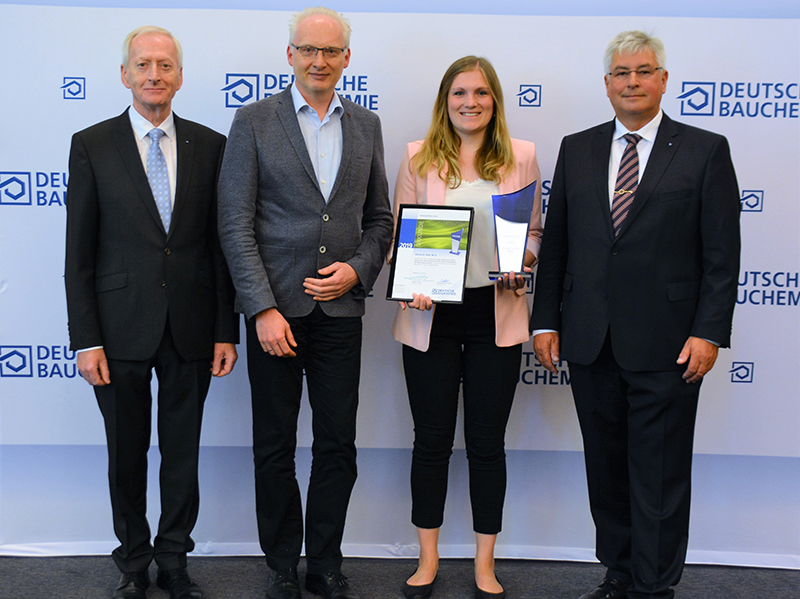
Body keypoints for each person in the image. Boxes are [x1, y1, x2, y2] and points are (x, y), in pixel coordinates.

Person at [530, 31, 740, 599]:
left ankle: (654, 586)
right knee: (606, 470)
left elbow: (722, 257)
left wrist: (708, 332)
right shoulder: (577, 148)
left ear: (663, 80)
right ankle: (619, 572)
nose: (632, 82)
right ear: (606, 84)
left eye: (644, 71)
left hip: (669, 345)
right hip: (590, 339)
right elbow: (558, 245)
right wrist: (545, 320)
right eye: (621, 73)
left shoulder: (704, 150)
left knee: (660, 474)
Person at [217, 7, 392, 599]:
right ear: (290, 55)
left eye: (331, 51)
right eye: (309, 50)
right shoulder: (254, 120)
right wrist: (261, 308)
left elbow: (379, 219)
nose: (320, 61)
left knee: (337, 444)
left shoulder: (366, 125)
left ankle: (325, 563)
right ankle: (280, 565)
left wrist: (358, 269)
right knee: (274, 445)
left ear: (347, 58)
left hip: (340, 314)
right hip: (276, 318)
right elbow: (235, 222)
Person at [64, 26, 239, 599]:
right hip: (117, 330)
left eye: (165, 65)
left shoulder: (211, 146)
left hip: (192, 326)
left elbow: (220, 248)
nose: (154, 74)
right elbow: (78, 252)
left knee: (182, 454)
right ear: (125, 74)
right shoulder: (91, 144)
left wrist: (225, 330)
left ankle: (175, 559)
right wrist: (86, 338)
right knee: (126, 452)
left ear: (180, 76)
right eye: (143, 64)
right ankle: (134, 562)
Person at [390, 56, 543, 599]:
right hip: (430, 316)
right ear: (445, 100)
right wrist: (411, 281)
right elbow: (401, 236)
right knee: (431, 442)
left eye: (480, 92)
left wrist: (522, 261)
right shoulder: (418, 155)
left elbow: (535, 233)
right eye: (459, 92)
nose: (470, 102)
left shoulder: (521, 155)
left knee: (486, 444)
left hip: (494, 314)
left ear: (494, 100)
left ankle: (484, 563)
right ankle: (427, 558)